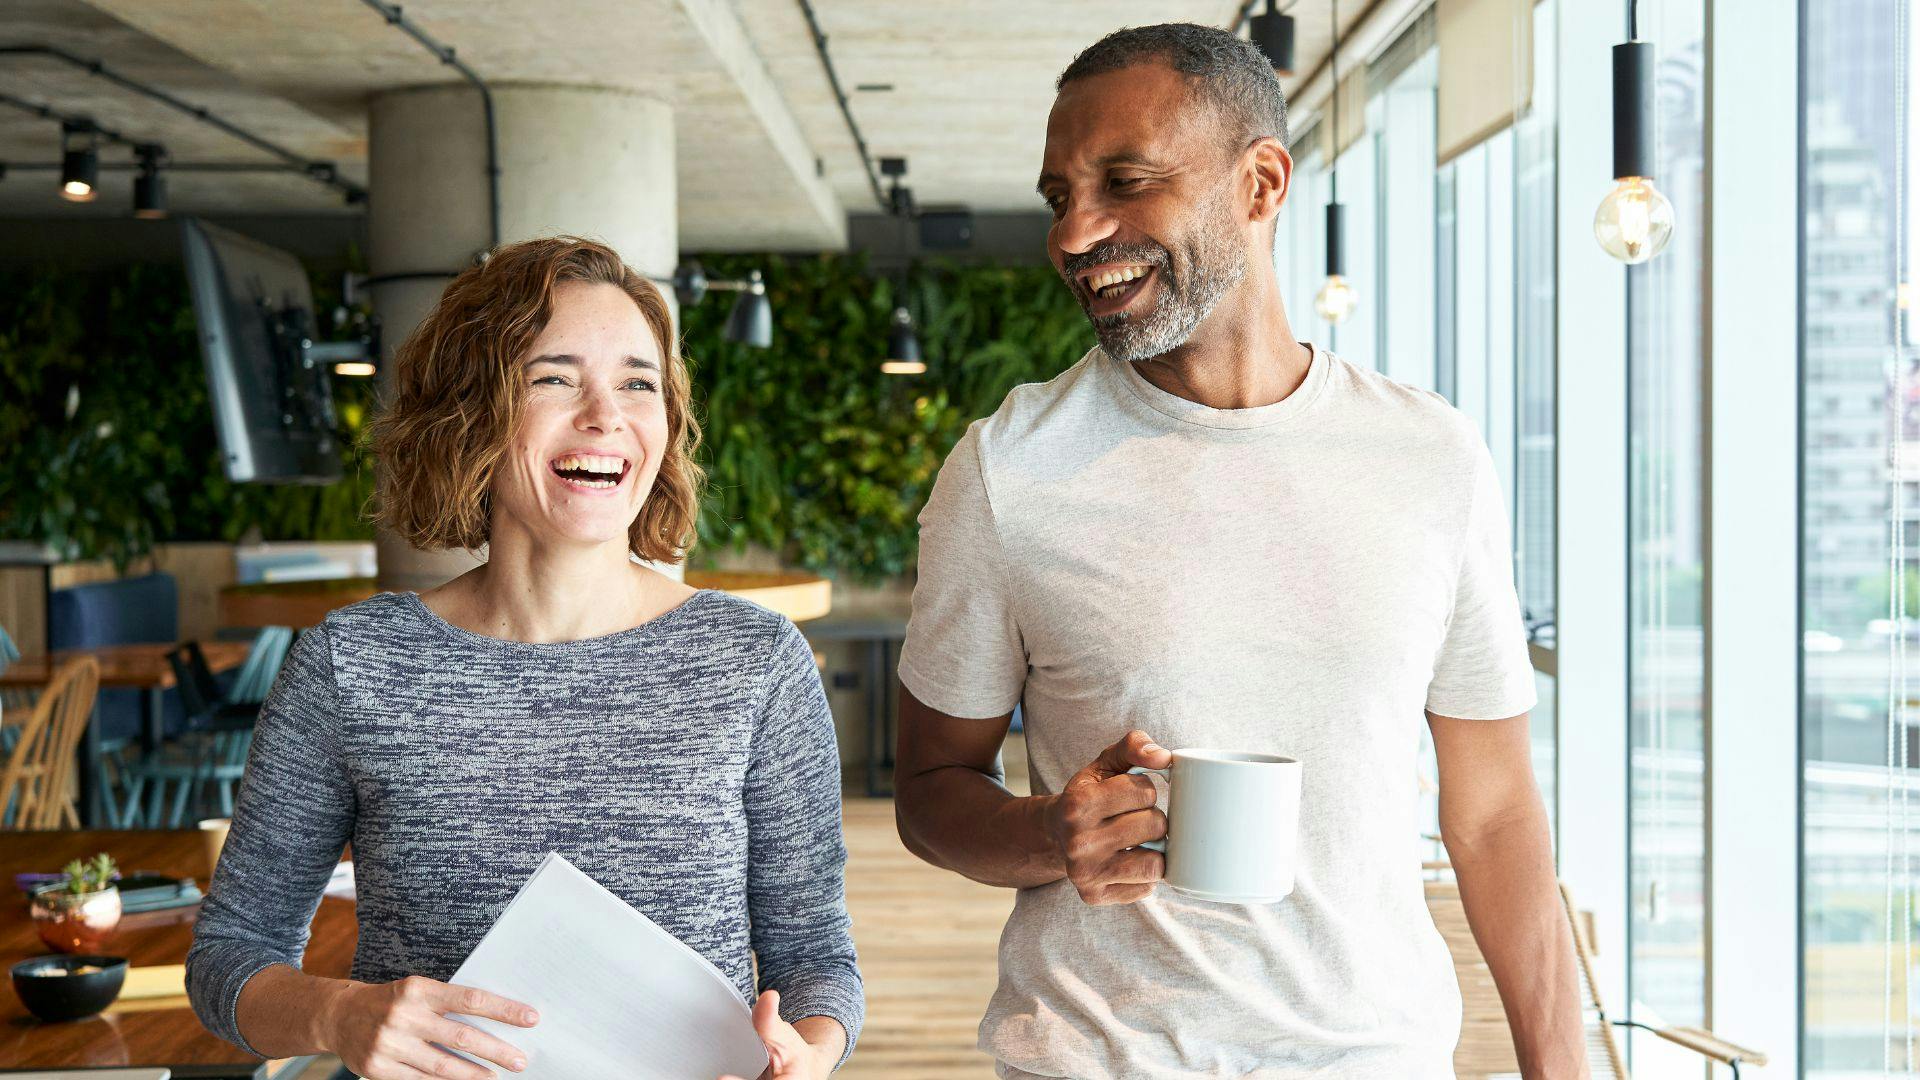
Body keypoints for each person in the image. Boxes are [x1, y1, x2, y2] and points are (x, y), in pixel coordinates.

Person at [893, 23, 1584, 1080]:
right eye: (1058, 196)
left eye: (1125, 182)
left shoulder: (1429, 456)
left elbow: (1491, 814)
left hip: (1378, 1057)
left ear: (1261, 184)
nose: (1076, 233)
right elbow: (933, 787)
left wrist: (1562, 1070)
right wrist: (1051, 835)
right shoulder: (1008, 473)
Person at [186, 237, 861, 1080]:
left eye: (637, 383)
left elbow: (817, 961)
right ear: (472, 411)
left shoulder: (755, 663)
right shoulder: (351, 665)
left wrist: (808, 1052)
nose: (605, 416)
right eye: (555, 378)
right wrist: (340, 1012)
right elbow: (229, 956)